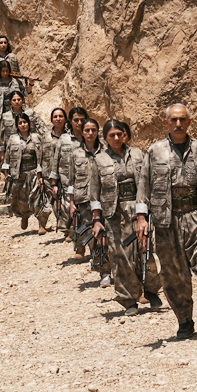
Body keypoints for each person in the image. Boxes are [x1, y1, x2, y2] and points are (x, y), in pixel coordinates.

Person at [136, 103, 197, 343]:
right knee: (174, 275)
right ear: (166, 122)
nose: (178, 124)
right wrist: (141, 218)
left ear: (189, 122)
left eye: (182, 120)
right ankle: (184, 321)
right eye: (174, 120)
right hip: (166, 222)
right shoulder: (154, 152)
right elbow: (143, 186)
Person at [89, 119, 163, 315]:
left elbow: (148, 182)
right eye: (111, 135)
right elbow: (94, 192)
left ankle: (151, 291)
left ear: (124, 135)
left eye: (119, 134)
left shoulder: (138, 154)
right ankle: (129, 299)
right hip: (115, 214)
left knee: (148, 251)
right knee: (121, 256)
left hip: (140, 210)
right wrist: (96, 219)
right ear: (105, 138)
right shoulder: (99, 160)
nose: (116, 138)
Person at [71, 117, 111, 285]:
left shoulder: (107, 151)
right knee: (94, 238)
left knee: (110, 235)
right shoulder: (75, 153)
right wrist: (71, 203)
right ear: (82, 132)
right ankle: (104, 272)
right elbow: (71, 179)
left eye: (93, 130)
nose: (90, 133)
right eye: (87, 130)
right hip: (85, 200)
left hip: (107, 199)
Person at [2, 114, 51, 234]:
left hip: (34, 173)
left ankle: (42, 224)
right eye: (20, 123)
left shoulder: (36, 138)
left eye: (25, 122)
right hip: (19, 174)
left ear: (29, 123)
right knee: (21, 199)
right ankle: (24, 215)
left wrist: (41, 174)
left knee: (39, 198)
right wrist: (6, 173)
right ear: (17, 125)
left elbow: (41, 156)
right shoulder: (13, 139)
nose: (23, 125)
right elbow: (7, 157)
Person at [61, 107, 90, 252]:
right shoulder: (64, 139)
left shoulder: (93, 138)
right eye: (76, 120)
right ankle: (79, 245)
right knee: (76, 215)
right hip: (70, 182)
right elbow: (55, 159)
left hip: (92, 185)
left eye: (82, 120)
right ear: (70, 121)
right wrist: (54, 181)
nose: (79, 123)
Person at [41, 107, 70, 232]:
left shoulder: (70, 136)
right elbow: (40, 156)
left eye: (61, 116)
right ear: (51, 120)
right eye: (55, 117)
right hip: (48, 175)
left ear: (65, 119)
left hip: (65, 173)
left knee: (66, 201)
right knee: (55, 201)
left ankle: (68, 229)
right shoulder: (46, 137)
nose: (58, 119)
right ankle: (63, 226)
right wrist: (39, 176)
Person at [0, 90, 40, 165]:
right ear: (10, 102)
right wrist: (2, 152)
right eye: (14, 100)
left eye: (19, 99)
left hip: (29, 147)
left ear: (22, 100)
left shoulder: (30, 113)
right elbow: (2, 135)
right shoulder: (5, 116)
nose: (17, 102)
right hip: (13, 149)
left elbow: (40, 126)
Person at [0, 60, 26, 140]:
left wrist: (31, 85)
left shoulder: (16, 81)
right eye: (3, 71)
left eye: (7, 71)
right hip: (2, 114)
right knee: (5, 137)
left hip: (17, 112)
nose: (5, 73)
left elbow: (25, 93)